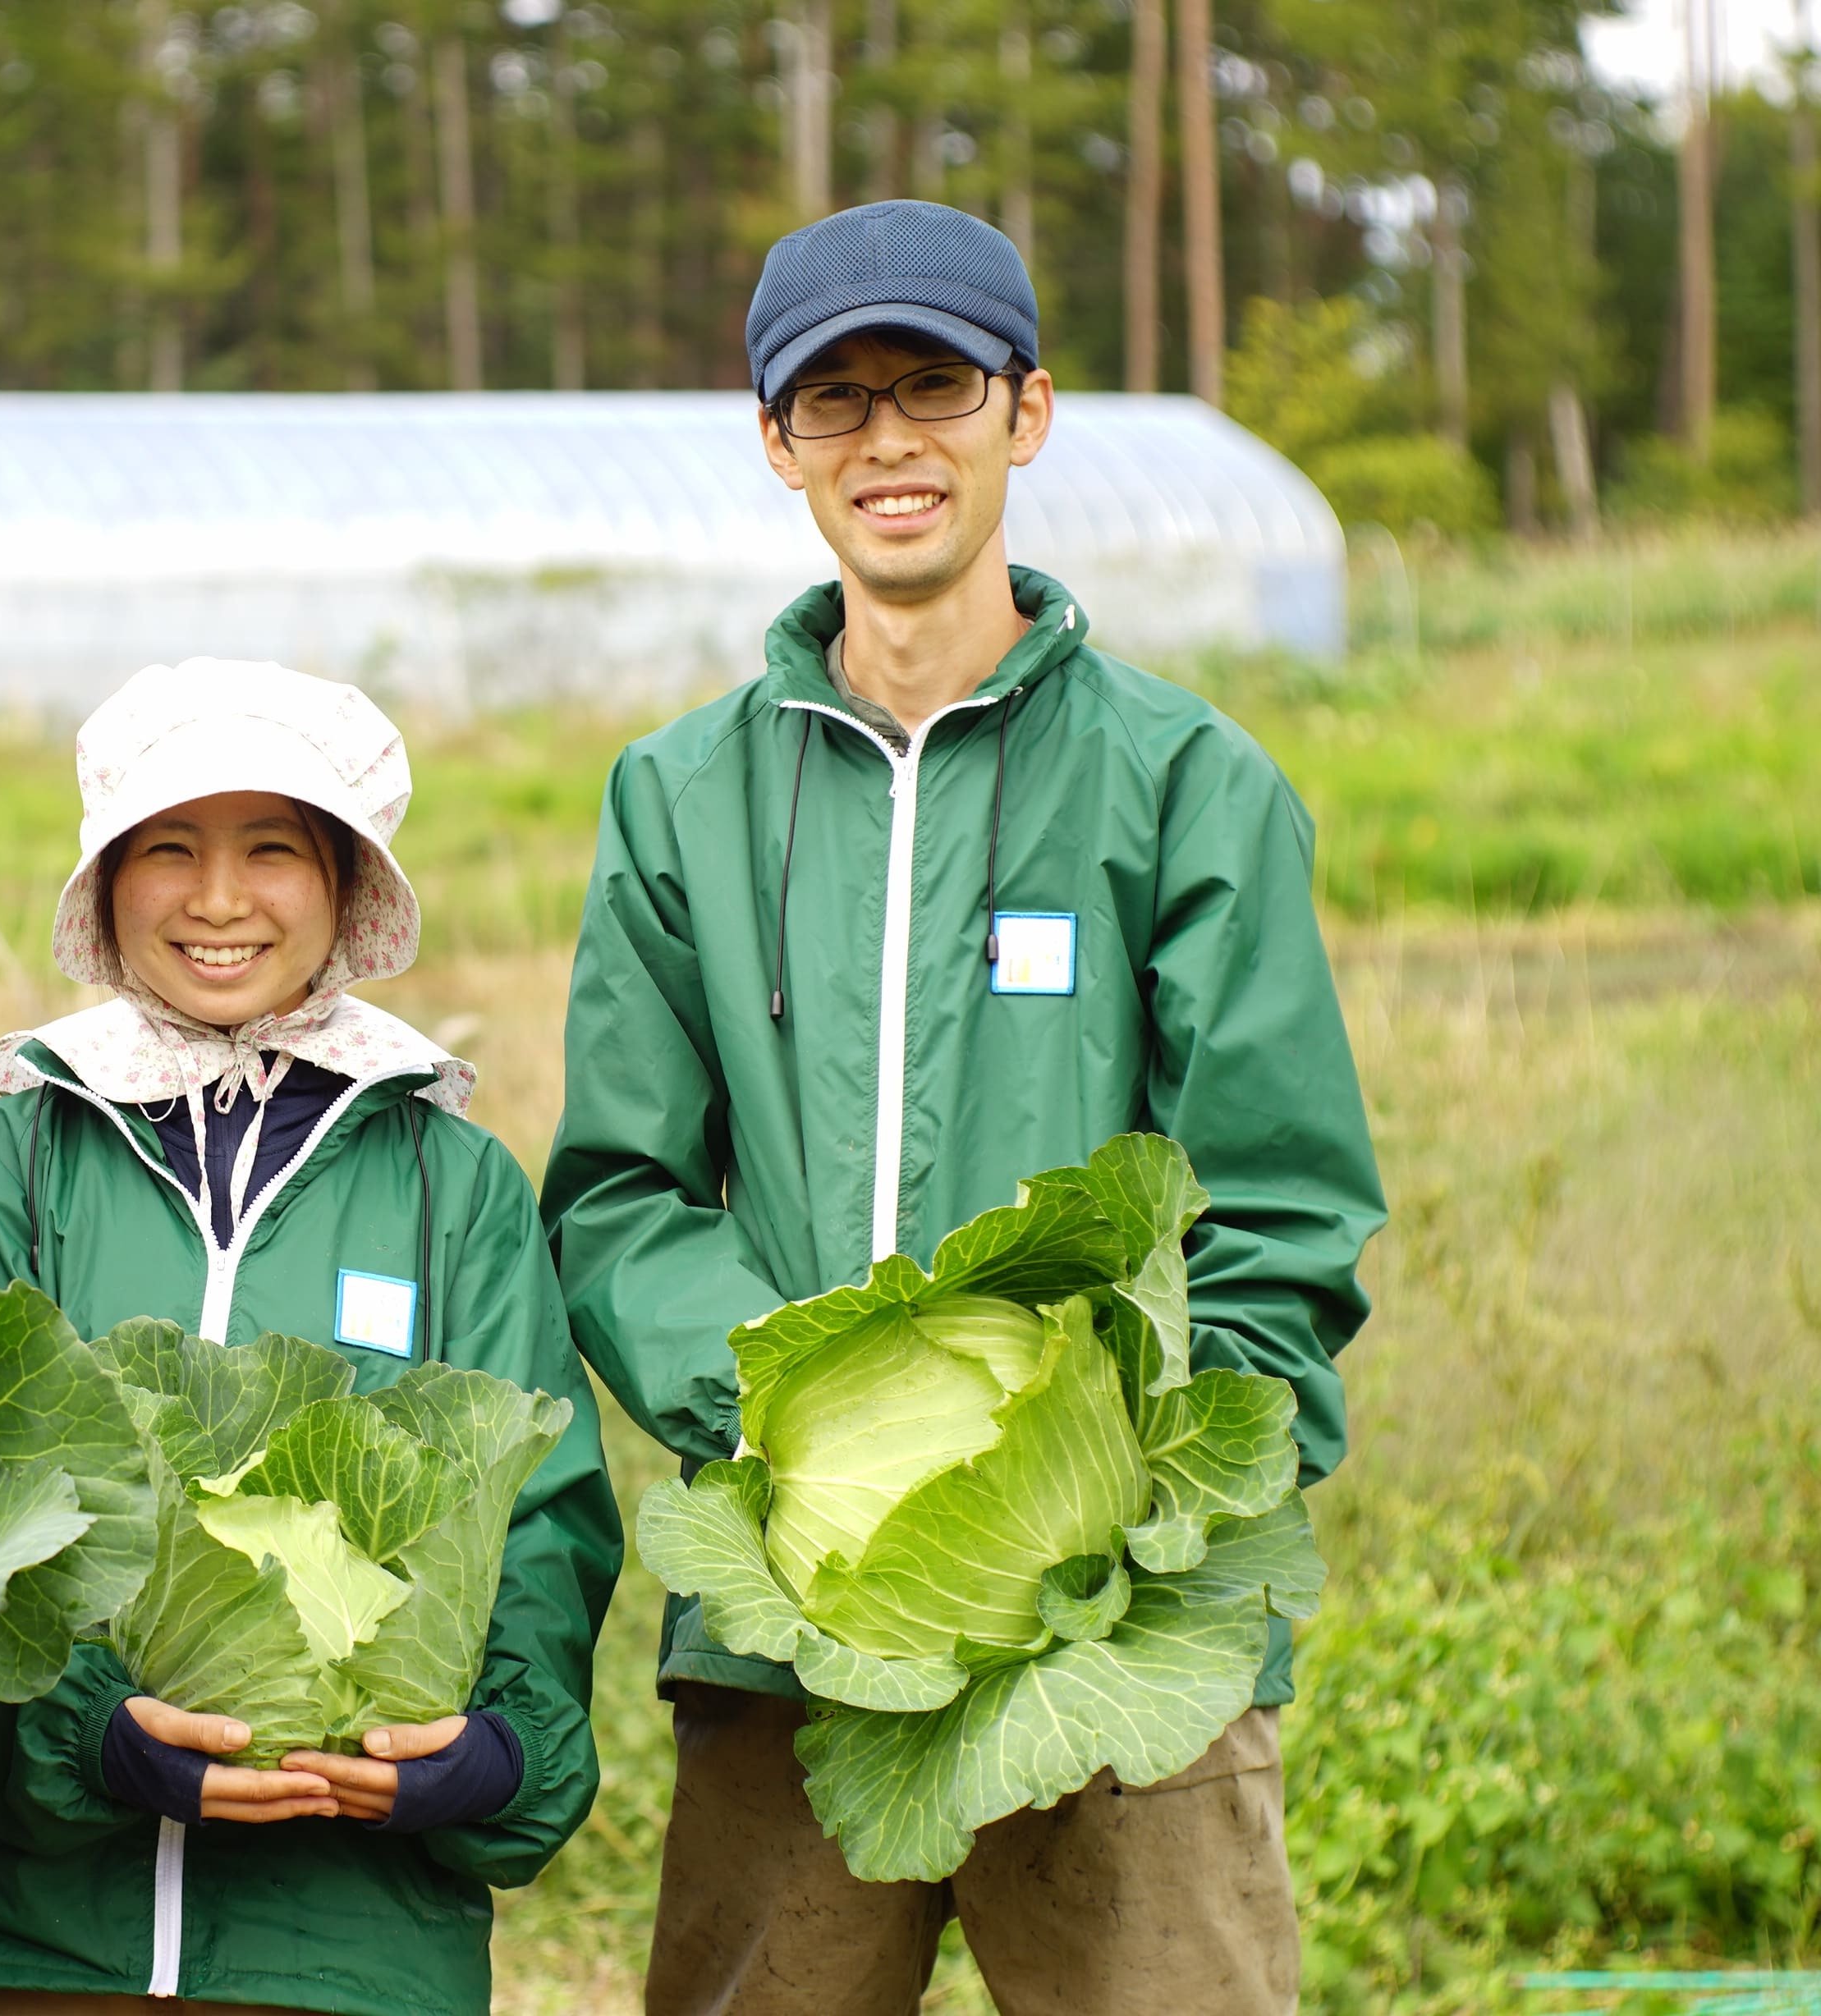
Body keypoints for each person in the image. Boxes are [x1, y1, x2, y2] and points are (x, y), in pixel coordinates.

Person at [539, 201, 1388, 2014]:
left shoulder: (1184, 783)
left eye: (933, 386)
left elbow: (1281, 1206)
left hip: (1120, 1639)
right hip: (799, 1631)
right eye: (834, 401)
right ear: (776, 443)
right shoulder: (680, 799)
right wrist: (797, 1446)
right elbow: (616, 1195)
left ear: (1028, 411)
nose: (888, 442)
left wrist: (1133, 1506)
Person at [0, 660, 621, 2016]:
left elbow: (538, 1520)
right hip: (17, 1941)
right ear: (104, 885)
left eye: (272, 849)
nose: (217, 900)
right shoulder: (14, 1156)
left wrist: (501, 1755)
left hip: (349, 1952)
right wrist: (86, 1741)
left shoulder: (452, 1180)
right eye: (168, 849)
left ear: (345, 885)